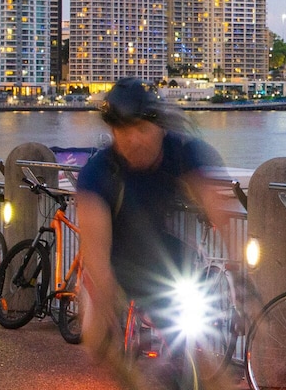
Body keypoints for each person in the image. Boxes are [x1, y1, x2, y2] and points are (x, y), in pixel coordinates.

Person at [75, 78, 238, 389]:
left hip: (160, 257)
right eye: (123, 130)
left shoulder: (182, 151)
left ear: (160, 127)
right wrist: (105, 300)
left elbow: (220, 212)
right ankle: (134, 381)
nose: (134, 140)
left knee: (204, 354)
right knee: (95, 336)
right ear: (112, 132)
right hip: (114, 257)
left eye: (142, 128)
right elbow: (96, 253)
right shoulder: (97, 175)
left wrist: (243, 274)